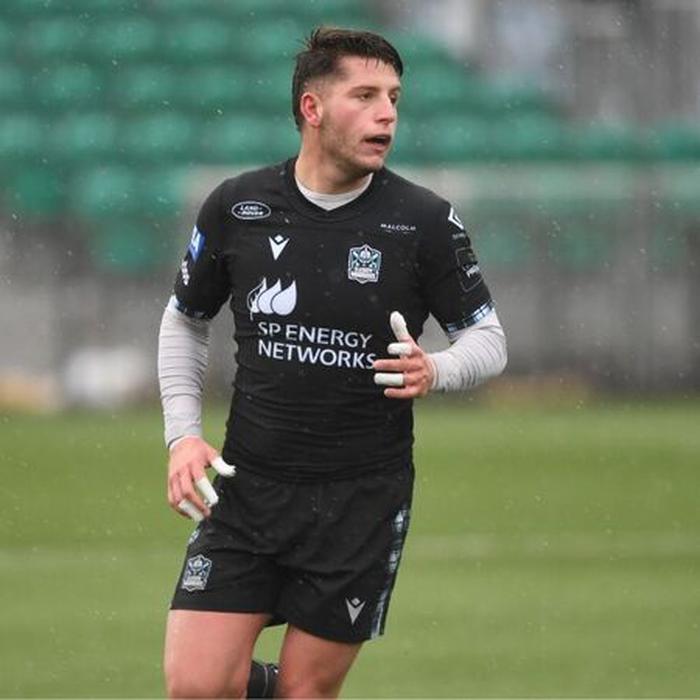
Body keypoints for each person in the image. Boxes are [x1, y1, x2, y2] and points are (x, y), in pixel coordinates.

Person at [158, 26, 507, 699]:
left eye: (394, 98)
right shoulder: (238, 206)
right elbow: (185, 319)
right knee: (196, 687)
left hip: (359, 500)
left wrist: (437, 369)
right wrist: (182, 436)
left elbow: (488, 339)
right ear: (312, 108)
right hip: (249, 490)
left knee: (304, 692)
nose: (387, 114)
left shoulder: (423, 220)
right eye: (365, 95)